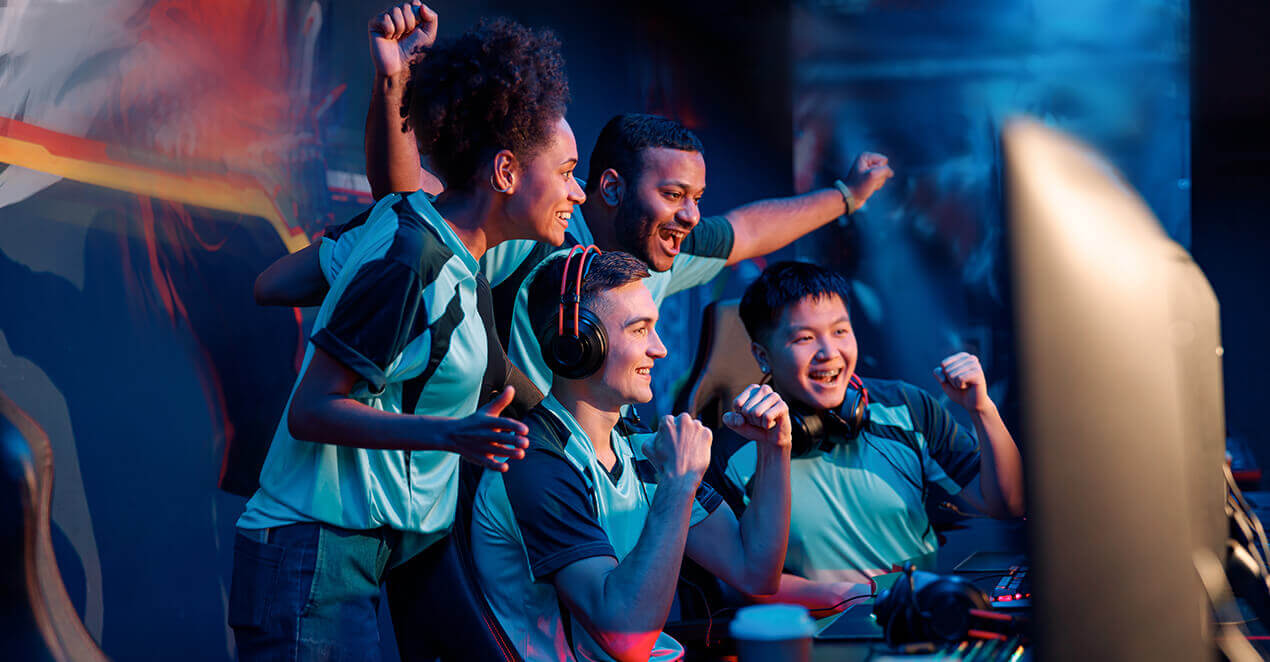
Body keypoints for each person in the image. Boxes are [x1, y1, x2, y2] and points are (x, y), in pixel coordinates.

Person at [254, 5, 895, 396]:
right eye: (674, 194)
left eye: (697, 198)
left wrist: (846, 196)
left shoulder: (665, 248)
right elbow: (404, 205)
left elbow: (749, 230)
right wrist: (398, 81)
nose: (691, 215)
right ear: (610, 188)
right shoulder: (527, 235)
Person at [228, 11, 582, 660]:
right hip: (315, 559)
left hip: (363, 557)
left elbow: (275, 283)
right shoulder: (410, 256)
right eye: (566, 172)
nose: (577, 193)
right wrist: (450, 434)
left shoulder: (436, 242)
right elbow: (311, 409)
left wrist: (348, 251)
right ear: (506, 172)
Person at [469, 249, 794, 661]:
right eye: (640, 330)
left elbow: (756, 571)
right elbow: (626, 637)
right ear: (578, 343)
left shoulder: (641, 449)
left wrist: (774, 449)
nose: (660, 349)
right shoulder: (534, 464)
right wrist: (678, 485)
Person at [716, 260, 1025, 616]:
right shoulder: (733, 451)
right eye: (804, 338)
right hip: (820, 636)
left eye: (840, 331)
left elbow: (1010, 504)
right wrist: (866, 595)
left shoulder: (907, 407)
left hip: (924, 622)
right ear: (762, 355)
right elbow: (747, 582)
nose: (829, 352)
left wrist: (982, 409)